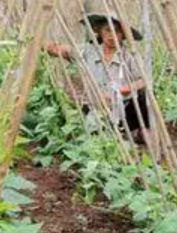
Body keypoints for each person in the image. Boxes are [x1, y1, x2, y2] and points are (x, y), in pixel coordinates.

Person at [44, 14, 150, 142]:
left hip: (124, 109)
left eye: (117, 31)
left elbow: (144, 80)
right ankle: (120, 133)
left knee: (145, 97)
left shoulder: (129, 56)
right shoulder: (89, 51)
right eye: (107, 30)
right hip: (96, 109)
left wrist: (122, 90)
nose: (112, 35)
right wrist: (44, 45)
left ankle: (138, 131)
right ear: (99, 31)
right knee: (94, 129)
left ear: (123, 34)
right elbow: (64, 50)